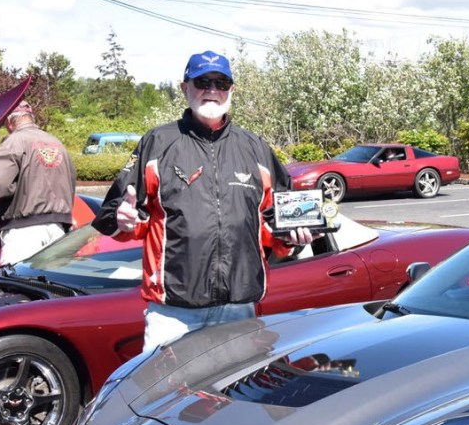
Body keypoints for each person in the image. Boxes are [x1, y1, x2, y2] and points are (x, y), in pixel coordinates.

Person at [93, 50, 313, 353]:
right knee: (163, 386)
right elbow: (113, 215)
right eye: (202, 82)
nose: (212, 90)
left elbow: (275, 223)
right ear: (185, 88)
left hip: (239, 309)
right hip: (173, 314)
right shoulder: (158, 142)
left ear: (231, 89)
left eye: (221, 83)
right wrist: (124, 221)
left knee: (237, 386)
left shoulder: (255, 147)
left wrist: (291, 237)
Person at [0, 100, 76, 265]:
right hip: (58, 230)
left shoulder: (13, 142)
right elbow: (70, 182)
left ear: (9, 120)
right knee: (52, 280)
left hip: (23, 232)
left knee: (16, 280)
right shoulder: (56, 142)